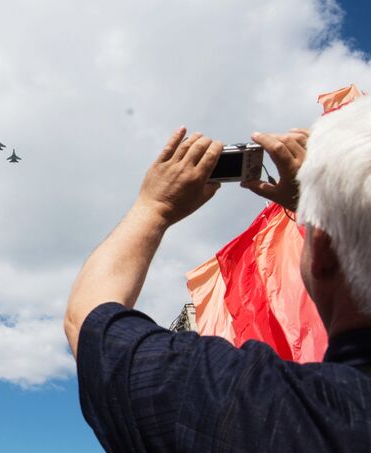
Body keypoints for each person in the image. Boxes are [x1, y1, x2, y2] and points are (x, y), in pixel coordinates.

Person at [65, 95, 371, 452]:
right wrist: (321, 211)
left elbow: (87, 317)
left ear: (320, 251)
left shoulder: (255, 407)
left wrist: (155, 207)